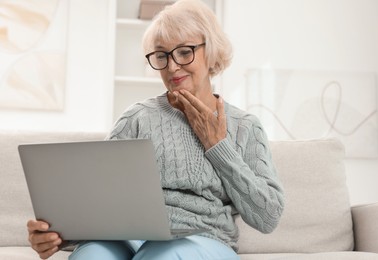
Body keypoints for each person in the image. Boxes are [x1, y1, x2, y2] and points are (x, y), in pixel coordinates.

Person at [27, 0, 285, 259]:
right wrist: (58, 235)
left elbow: (268, 216)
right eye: (161, 55)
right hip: (127, 238)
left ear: (212, 52)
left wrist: (218, 146)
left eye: (185, 52)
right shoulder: (137, 117)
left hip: (203, 239)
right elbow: (99, 199)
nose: (172, 67)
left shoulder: (245, 127)